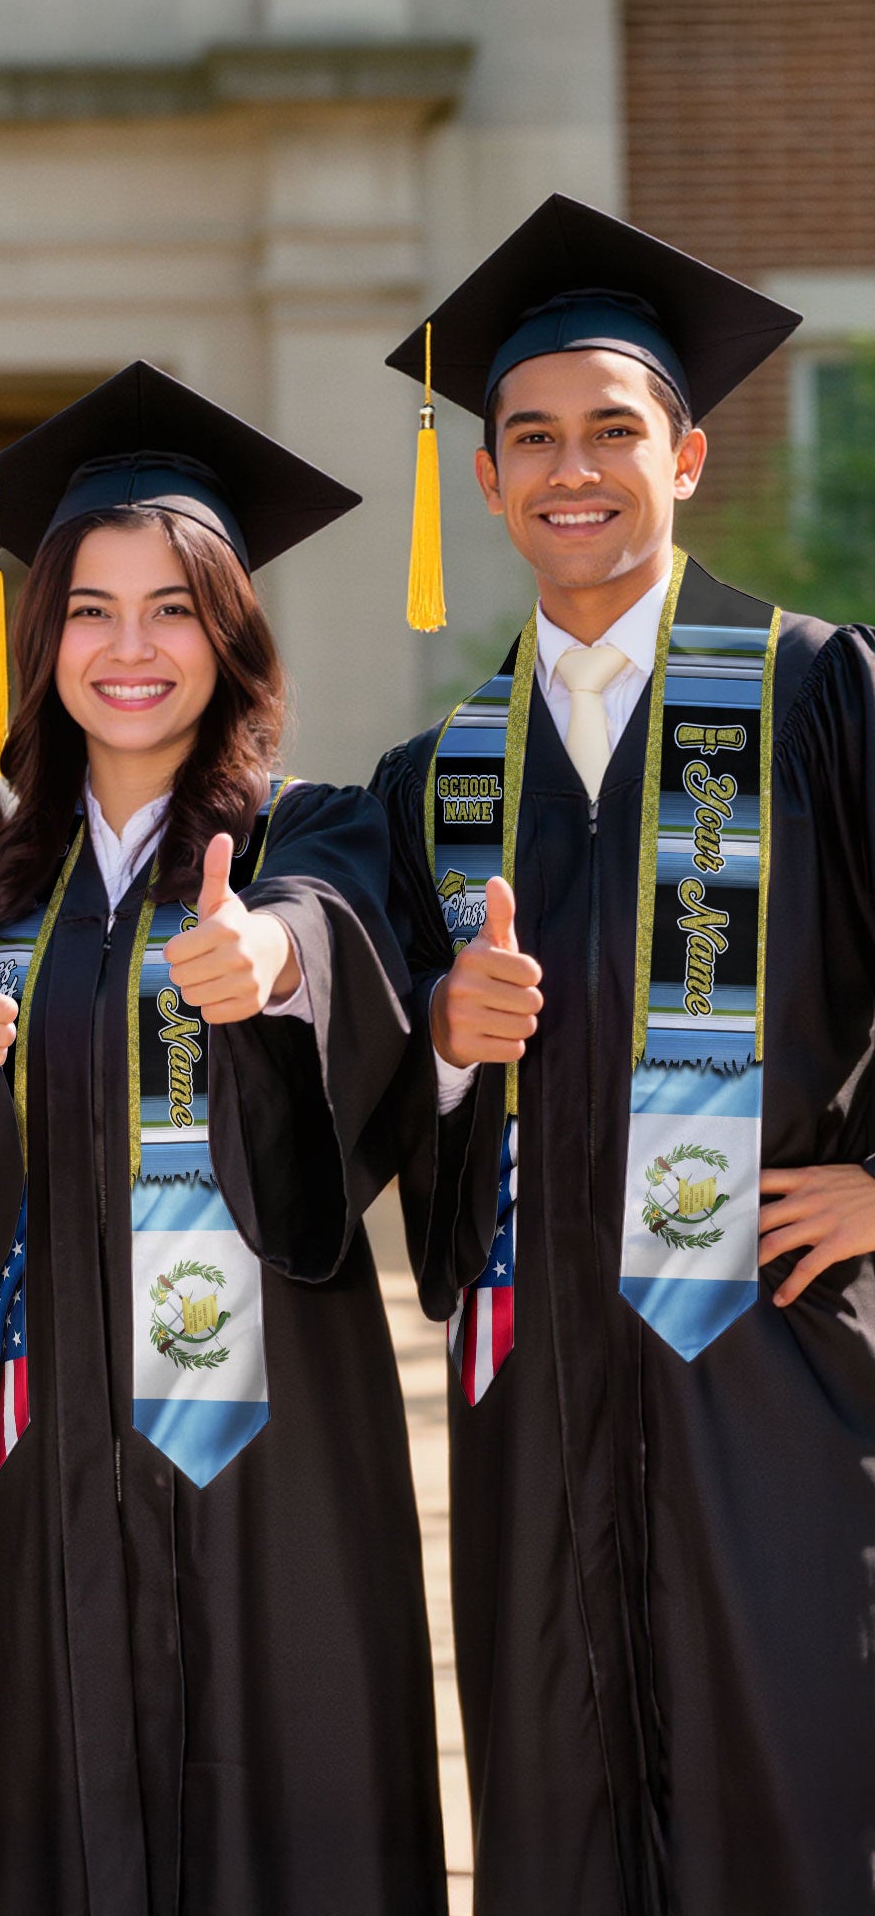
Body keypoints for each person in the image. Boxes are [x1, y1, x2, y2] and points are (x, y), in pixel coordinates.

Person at [0, 362, 446, 1915]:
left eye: (175, 608)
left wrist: (269, 967)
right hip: (55, 1439)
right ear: (41, 636)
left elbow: (336, 943)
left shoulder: (313, 832)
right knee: (78, 1801)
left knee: (301, 1801)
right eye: (91, 610)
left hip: (279, 1441)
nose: (132, 650)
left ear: (233, 633)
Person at [373, 195, 875, 1915]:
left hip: (772, 1363)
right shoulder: (437, 775)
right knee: (556, 1795)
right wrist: (440, 1044)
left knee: (793, 1784)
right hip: (536, 1384)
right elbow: (372, 1092)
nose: (569, 468)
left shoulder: (815, 694)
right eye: (530, 438)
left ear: (689, 455)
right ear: (492, 478)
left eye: (612, 431)